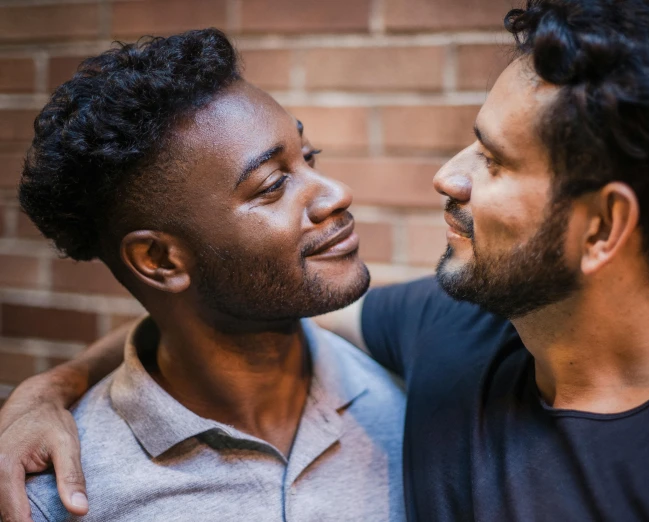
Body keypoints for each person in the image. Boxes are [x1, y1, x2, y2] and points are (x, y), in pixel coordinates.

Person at [3, 0, 649, 521]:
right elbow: (223, 307)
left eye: (494, 160)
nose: (448, 177)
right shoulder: (448, 334)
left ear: (602, 227)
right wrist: (50, 391)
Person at [0, 28, 405, 522]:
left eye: (309, 156)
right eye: (274, 184)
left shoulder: (411, 396)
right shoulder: (57, 497)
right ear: (159, 260)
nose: (335, 193)